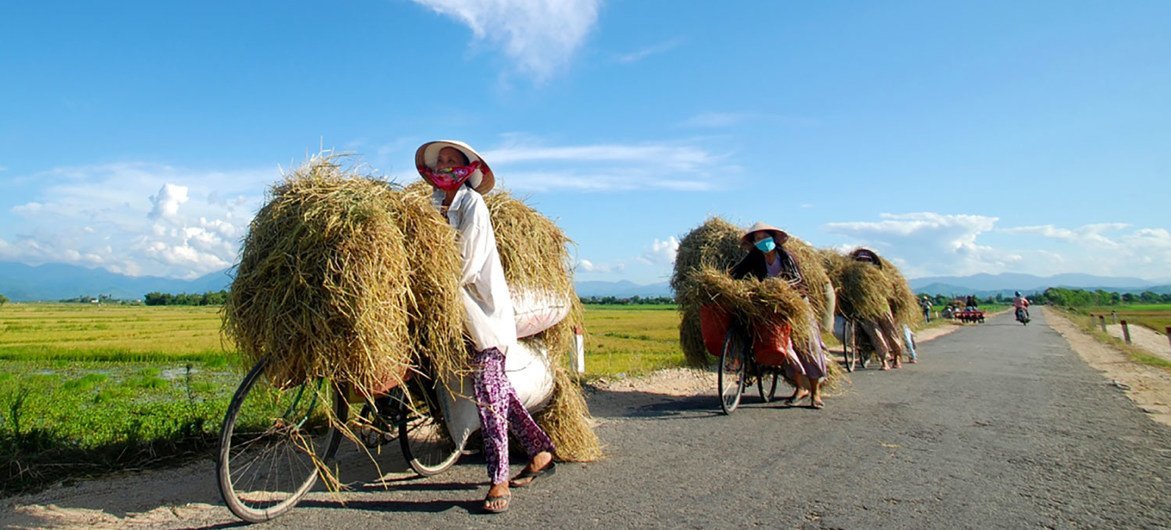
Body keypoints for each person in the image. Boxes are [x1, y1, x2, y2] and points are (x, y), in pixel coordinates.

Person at [417, 140, 555, 514]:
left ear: (467, 170)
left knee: (489, 399)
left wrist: (432, 283)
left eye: (452, 161)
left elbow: (468, 262)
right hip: (450, 312)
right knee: (496, 390)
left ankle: (498, 479)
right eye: (440, 161)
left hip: (480, 313)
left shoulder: (472, 204)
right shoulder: (429, 205)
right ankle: (540, 449)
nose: (444, 166)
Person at [730, 222, 828, 409]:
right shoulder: (755, 257)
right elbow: (737, 273)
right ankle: (800, 387)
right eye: (757, 239)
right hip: (772, 307)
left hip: (795, 304)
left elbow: (799, 280)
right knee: (783, 347)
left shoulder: (786, 256)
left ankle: (816, 393)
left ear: (773, 238)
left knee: (808, 345)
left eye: (765, 237)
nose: (762, 241)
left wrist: (781, 287)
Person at [848, 248, 905, 370]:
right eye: (860, 260)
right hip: (865, 309)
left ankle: (897, 357)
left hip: (881, 307)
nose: (863, 262)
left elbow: (888, 291)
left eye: (866, 260)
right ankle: (884, 360)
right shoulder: (853, 277)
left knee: (891, 332)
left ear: (871, 262)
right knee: (875, 335)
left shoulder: (879, 275)